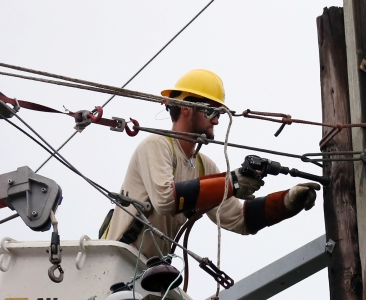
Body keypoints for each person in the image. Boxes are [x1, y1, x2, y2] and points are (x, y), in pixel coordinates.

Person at [101, 69, 319, 255]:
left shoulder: (204, 167)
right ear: (185, 108)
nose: (216, 119)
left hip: (150, 273)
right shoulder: (157, 145)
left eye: (219, 113)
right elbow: (165, 200)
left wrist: (287, 201)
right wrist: (232, 184)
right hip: (117, 261)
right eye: (211, 111)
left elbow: (238, 219)